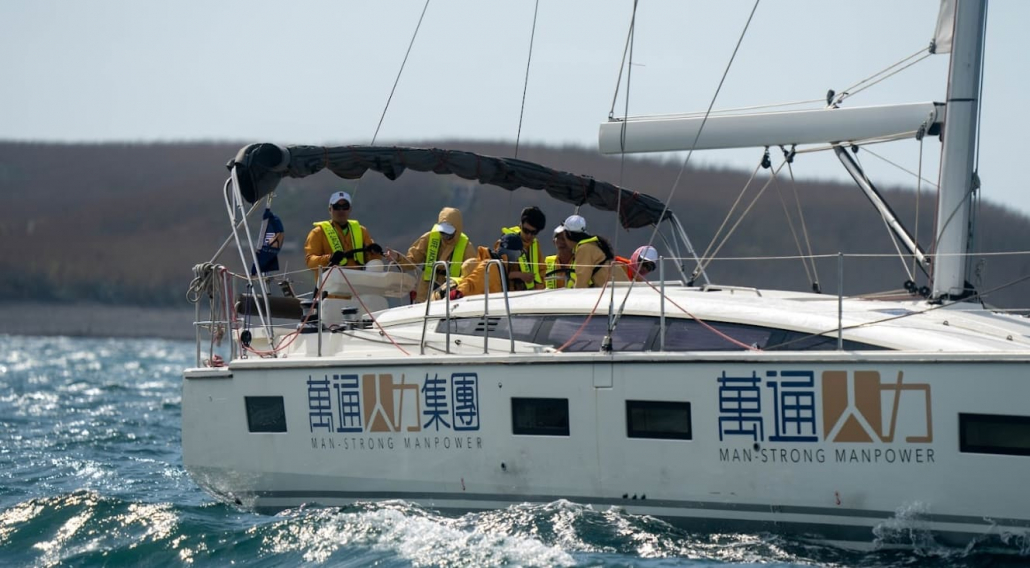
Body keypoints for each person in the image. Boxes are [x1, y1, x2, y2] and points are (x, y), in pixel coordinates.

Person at [394, 207, 477, 303]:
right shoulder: (428, 238)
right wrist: (397, 258)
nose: (445, 236)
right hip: (424, 294)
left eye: (448, 233)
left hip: (450, 297)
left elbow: (472, 274)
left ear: (457, 230)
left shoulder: (466, 247)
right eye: (442, 232)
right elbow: (412, 261)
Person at [304, 191, 383, 280]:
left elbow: (374, 260)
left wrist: (375, 252)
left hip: (358, 284)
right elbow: (310, 262)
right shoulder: (317, 233)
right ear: (330, 209)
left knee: (377, 264)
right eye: (336, 207)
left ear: (350, 209)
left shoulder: (362, 231)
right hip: (331, 285)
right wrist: (329, 258)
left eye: (345, 207)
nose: (341, 210)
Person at [444, 233, 529, 299]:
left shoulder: (500, 267)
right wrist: (458, 293)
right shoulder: (490, 266)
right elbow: (472, 283)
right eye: (519, 254)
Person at [561, 214, 614, 289]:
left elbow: (581, 283)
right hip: (619, 289)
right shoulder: (593, 244)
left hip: (614, 292)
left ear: (568, 234)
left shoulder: (584, 249)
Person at [500, 206, 547, 290]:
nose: (529, 235)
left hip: (532, 294)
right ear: (520, 225)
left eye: (533, 232)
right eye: (526, 231)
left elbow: (542, 271)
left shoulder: (535, 245)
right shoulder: (506, 242)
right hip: (509, 293)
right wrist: (519, 275)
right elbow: (497, 272)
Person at [544, 225, 574, 289]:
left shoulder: (580, 261)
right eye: (559, 238)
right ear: (554, 242)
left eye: (566, 238)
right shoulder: (547, 262)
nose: (562, 242)